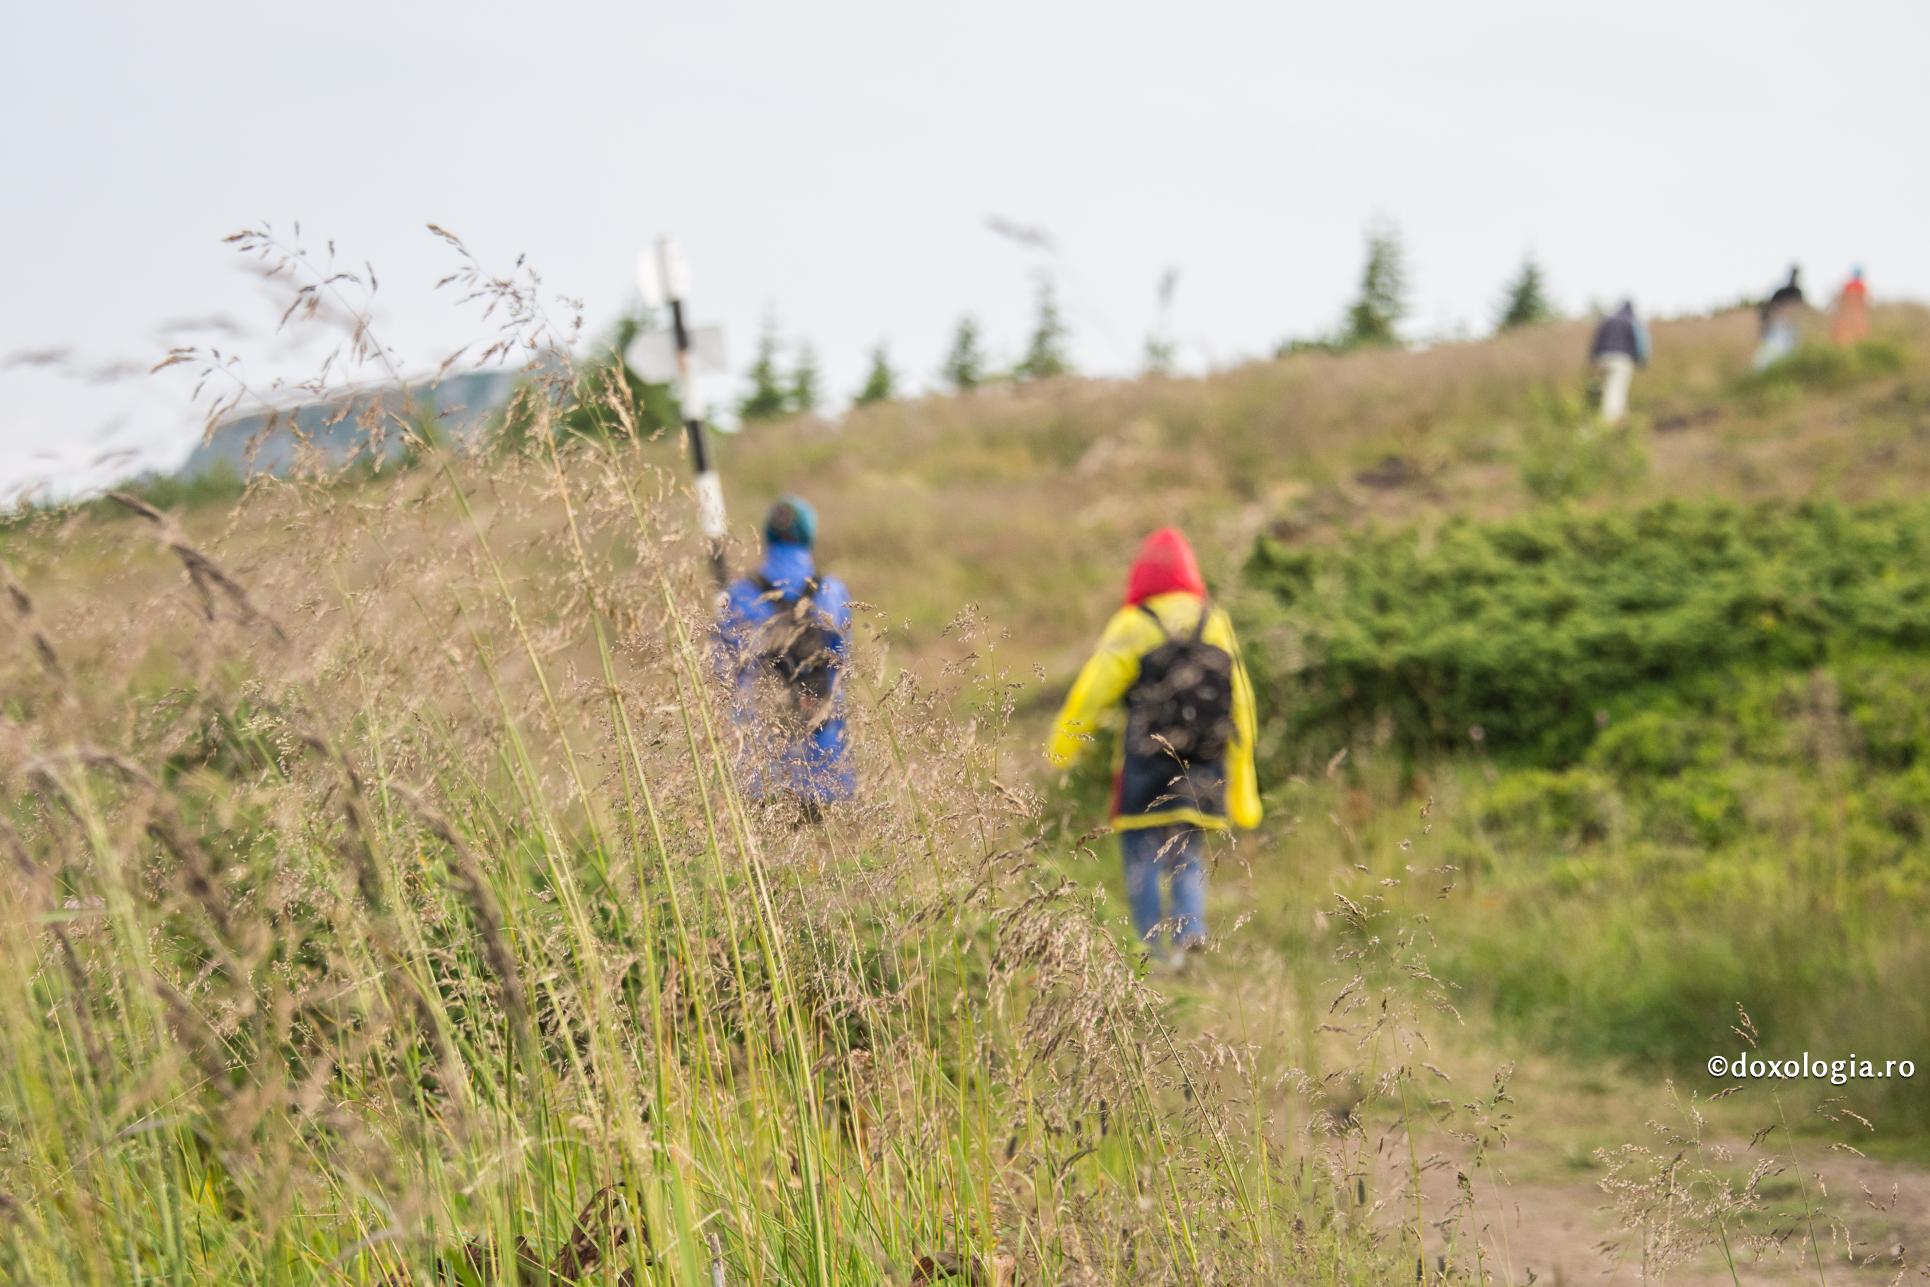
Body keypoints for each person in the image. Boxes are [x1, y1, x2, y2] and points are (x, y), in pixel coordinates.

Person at [1046, 528, 1261, 965]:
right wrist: (1244, 789)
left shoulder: (1134, 623)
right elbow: (1241, 702)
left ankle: (1154, 954)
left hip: (1144, 767)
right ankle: (1189, 935)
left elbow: (1091, 692)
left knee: (1142, 857)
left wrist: (1061, 749)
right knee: (1188, 853)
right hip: (1204, 763)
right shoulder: (1212, 618)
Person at [715, 495, 854, 814]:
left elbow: (722, 675)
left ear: (767, 536)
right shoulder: (833, 592)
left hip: (760, 766)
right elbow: (844, 667)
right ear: (811, 536)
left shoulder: (737, 594)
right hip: (824, 760)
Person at [1587, 300, 1651, 425]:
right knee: (1616, 389)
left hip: (1602, 358)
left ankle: (1620, 421)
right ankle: (1609, 422)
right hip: (1622, 360)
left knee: (1606, 389)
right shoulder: (1632, 322)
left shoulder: (1607, 321)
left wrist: (1592, 359)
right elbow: (1640, 344)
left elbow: (1596, 340)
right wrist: (1642, 360)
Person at [1755, 266, 1808, 371]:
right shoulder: (1782, 292)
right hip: (1778, 329)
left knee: (1789, 357)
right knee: (1770, 356)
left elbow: (1801, 313)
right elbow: (1769, 310)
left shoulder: (1798, 293)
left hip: (1791, 330)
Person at [1831, 267, 1870, 346]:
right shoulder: (1854, 286)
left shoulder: (1853, 286)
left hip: (1851, 314)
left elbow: (1840, 299)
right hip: (1852, 314)